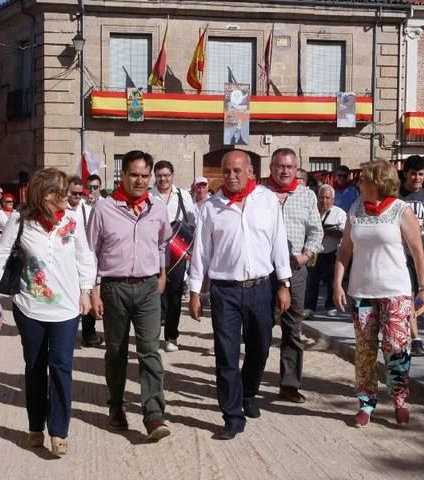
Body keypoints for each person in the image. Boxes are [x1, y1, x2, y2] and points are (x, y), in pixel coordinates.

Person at [0, 168, 96, 456]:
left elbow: (86, 258)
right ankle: (35, 425)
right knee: (35, 367)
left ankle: (58, 431)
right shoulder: (20, 221)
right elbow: (0, 257)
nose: (68, 197)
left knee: (61, 367)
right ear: (45, 194)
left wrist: (86, 291)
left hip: (66, 310)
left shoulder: (73, 221)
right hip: (30, 308)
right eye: (62, 192)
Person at [189, 149, 292, 440]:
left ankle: (248, 393)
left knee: (260, 348)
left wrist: (284, 283)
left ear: (250, 172)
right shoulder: (211, 207)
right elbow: (201, 252)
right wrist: (195, 291)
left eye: (237, 171)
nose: (232, 177)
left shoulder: (267, 200)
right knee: (227, 354)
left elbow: (278, 243)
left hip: (261, 288)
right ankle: (232, 416)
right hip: (225, 292)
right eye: (227, 171)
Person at [332, 160, 424, 427]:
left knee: (396, 347)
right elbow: (345, 249)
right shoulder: (355, 208)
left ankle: (399, 400)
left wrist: (423, 289)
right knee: (364, 351)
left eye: (363, 179)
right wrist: (337, 282)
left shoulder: (401, 210)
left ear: (377, 183)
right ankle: (365, 404)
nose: (358, 183)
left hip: (396, 292)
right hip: (362, 292)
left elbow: (417, 253)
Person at [87, 150, 172, 443]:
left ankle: (153, 415)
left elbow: (162, 242)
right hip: (114, 288)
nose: (139, 180)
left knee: (150, 349)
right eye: (134, 175)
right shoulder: (104, 209)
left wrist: (162, 273)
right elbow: (91, 251)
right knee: (116, 351)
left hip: (148, 287)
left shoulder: (158, 208)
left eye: (144, 175)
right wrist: (94, 290)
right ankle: (116, 407)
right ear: (122, 175)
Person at [263, 148, 322, 403]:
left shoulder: (307, 196)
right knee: (261, 328)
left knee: (292, 330)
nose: (285, 171)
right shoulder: (259, 195)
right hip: (264, 271)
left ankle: (289, 385)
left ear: (296, 169)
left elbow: (316, 232)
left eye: (289, 167)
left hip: (295, 270)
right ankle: (251, 381)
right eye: (280, 166)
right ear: (271, 168)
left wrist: (306, 255)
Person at [150, 160, 197, 353]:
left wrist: (190, 250)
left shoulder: (183, 196)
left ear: (172, 175)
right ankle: (151, 337)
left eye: (167, 175)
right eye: (160, 175)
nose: (163, 179)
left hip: (177, 250)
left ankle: (171, 336)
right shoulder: (148, 195)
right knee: (153, 295)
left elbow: (192, 223)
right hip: (153, 251)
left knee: (175, 296)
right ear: (155, 175)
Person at [399, 155, 424, 356]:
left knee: (422, 293)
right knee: (409, 294)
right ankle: (416, 338)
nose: (417, 178)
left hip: (418, 254)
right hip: (401, 253)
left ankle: (411, 332)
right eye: (413, 174)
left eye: (421, 174)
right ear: (406, 174)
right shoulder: (398, 195)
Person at [66, 175, 102, 347]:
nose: (77, 197)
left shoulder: (87, 210)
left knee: (87, 293)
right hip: (65, 261)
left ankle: (89, 334)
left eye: (80, 193)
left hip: (84, 259)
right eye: (74, 193)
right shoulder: (60, 210)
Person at [304, 184, 347, 317]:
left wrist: (327, 231)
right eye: (321, 197)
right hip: (314, 252)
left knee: (331, 281)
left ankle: (330, 305)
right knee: (311, 280)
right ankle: (309, 307)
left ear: (333, 199)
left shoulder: (339, 213)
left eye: (327, 198)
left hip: (331, 252)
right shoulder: (311, 211)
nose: (324, 201)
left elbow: (344, 233)